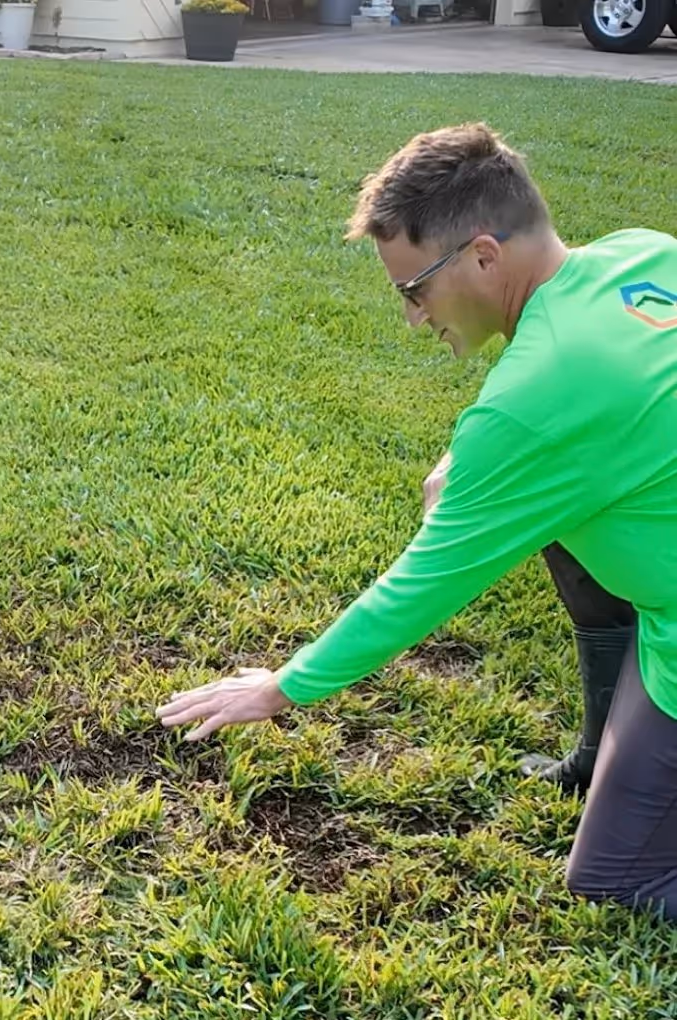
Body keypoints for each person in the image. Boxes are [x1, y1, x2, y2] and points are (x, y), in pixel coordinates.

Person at [157, 122, 677, 922]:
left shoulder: (535, 403)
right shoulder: (639, 252)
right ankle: (600, 750)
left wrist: (283, 687)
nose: (410, 318)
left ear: (481, 255)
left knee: (614, 879)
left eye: (413, 290)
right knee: (557, 521)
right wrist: (470, 462)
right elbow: (606, 416)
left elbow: (422, 584)